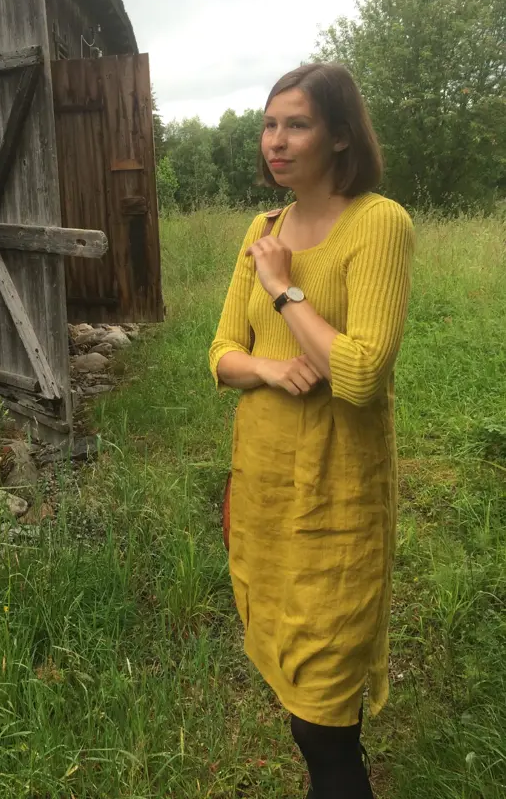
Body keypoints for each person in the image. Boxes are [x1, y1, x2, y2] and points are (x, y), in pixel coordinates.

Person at [209, 63, 414, 799]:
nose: (277, 141)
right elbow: (221, 354)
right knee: (293, 697)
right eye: (269, 125)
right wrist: (268, 371)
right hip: (263, 488)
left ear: (340, 135)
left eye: (296, 124)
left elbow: (359, 376)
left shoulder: (378, 224)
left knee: (325, 725)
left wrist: (284, 289)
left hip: (337, 496)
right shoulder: (261, 230)